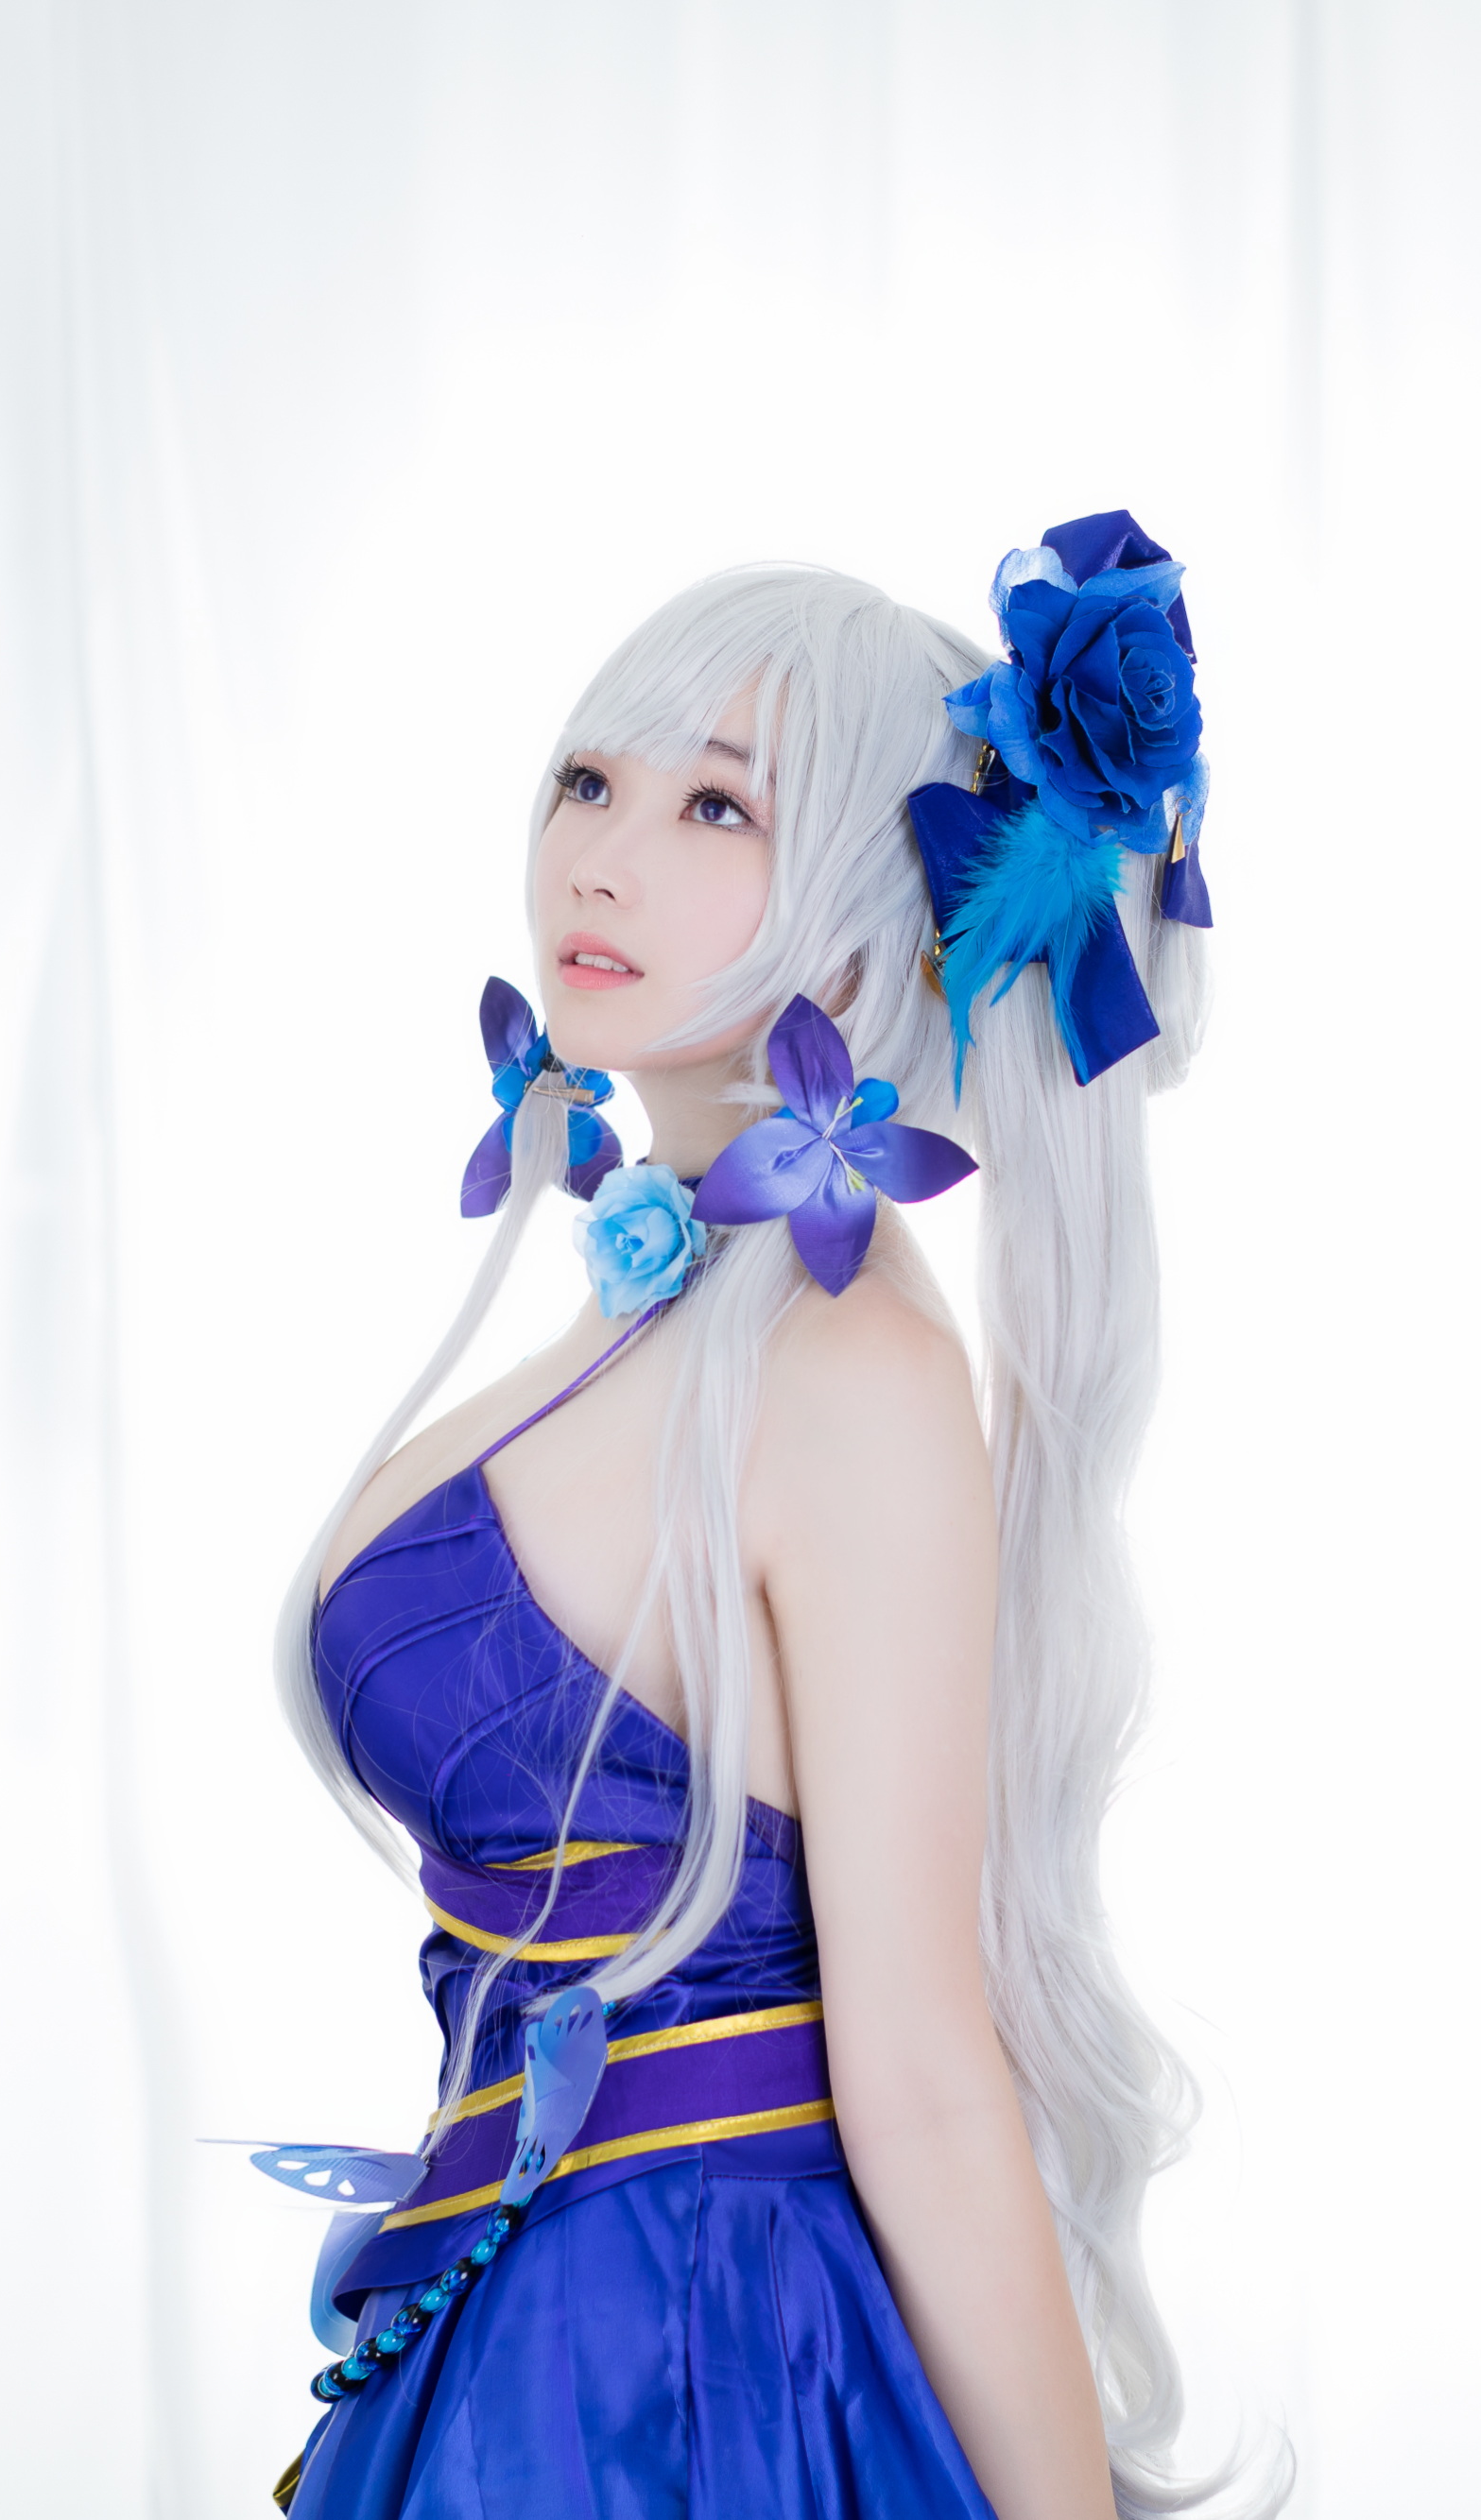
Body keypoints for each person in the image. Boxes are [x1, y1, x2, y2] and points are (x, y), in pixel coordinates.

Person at [257, 518, 1266, 2518]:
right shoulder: (681, 1305)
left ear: (872, 912)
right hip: (531, 2331)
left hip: (687, 2369)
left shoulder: (846, 1366)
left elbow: (922, 2074)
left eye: (717, 803)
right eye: (589, 778)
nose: (598, 855)